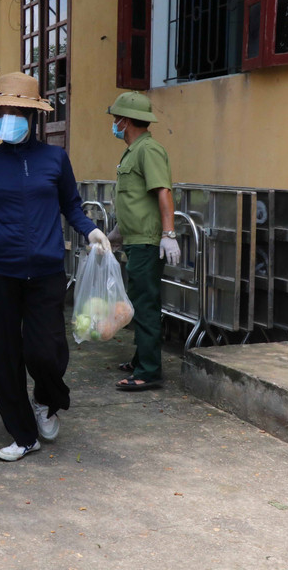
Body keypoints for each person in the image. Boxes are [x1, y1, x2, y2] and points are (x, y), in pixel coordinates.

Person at [0, 72, 110, 462]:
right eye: (2, 110)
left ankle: (47, 400)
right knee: (6, 356)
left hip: (45, 271)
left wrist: (90, 231)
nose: (8, 117)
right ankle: (23, 435)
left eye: (16, 111)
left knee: (46, 352)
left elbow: (71, 204)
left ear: (32, 116)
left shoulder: (55, 159)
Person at [106, 91, 180, 391]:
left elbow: (163, 192)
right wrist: (116, 234)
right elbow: (134, 201)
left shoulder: (148, 150)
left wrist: (168, 234)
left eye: (116, 119)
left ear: (126, 120)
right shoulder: (134, 150)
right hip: (134, 240)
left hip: (147, 243)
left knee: (146, 305)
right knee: (138, 303)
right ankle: (141, 359)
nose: (113, 123)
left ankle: (149, 371)